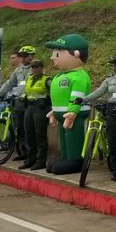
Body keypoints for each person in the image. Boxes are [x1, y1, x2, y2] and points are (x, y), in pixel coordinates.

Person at [43, 34, 93, 174]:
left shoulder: (79, 76)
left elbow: (77, 95)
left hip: (73, 114)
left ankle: (75, 160)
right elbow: (59, 96)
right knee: (63, 137)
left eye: (57, 54)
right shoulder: (60, 76)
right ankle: (65, 157)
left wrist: (73, 110)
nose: (53, 57)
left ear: (76, 54)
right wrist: (54, 110)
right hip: (61, 114)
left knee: (72, 136)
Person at [82, 52, 116, 181]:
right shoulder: (110, 79)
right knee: (111, 141)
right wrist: (82, 100)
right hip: (111, 111)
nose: (114, 67)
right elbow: (99, 92)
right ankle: (113, 167)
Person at [0, 46, 34, 160]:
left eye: (24, 56)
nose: (22, 59)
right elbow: (9, 84)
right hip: (19, 103)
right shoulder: (18, 70)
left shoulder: (35, 68)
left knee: (29, 128)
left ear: (31, 56)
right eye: (21, 56)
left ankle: (32, 154)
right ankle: (23, 152)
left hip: (30, 103)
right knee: (20, 129)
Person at [19, 59, 51, 170]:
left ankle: (41, 160)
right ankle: (30, 159)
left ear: (42, 67)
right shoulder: (29, 78)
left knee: (40, 135)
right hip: (29, 107)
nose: (34, 69)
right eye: (33, 67)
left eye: (37, 66)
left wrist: (48, 102)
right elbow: (26, 92)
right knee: (29, 134)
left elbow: (54, 93)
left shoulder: (47, 80)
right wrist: (22, 97)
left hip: (40, 108)